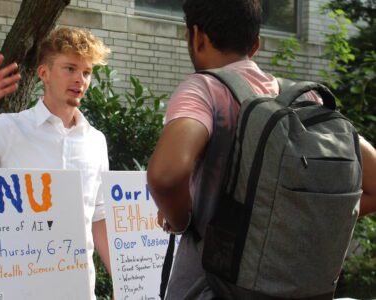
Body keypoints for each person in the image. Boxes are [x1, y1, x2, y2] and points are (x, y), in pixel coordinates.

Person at [146, 0, 376, 299]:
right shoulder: (304, 99)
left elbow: (166, 175)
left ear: (196, 35)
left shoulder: (204, 89)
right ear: (255, 45)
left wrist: (180, 221)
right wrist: (299, 217)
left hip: (210, 286)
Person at [0, 27, 112, 299]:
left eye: (86, 72)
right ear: (44, 73)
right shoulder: (10, 128)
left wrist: (124, 279)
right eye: (70, 68)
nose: (80, 79)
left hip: (79, 288)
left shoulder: (96, 140)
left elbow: (99, 216)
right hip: (19, 286)